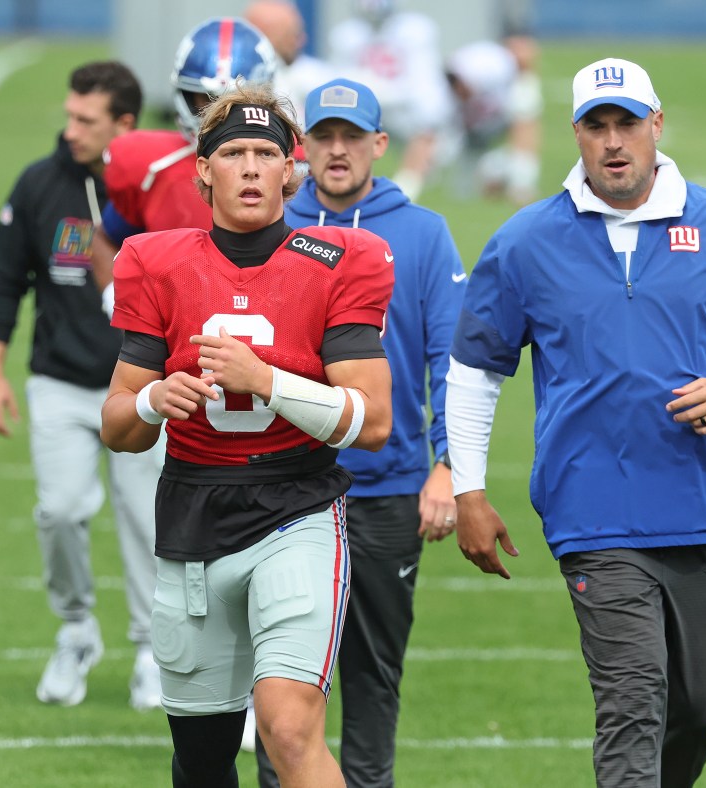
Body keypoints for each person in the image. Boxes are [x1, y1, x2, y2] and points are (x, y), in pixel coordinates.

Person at [446, 58, 706, 786]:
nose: (613, 142)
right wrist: (468, 490)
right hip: (595, 516)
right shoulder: (525, 241)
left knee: (699, 711)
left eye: (626, 123)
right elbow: (475, 370)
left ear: (656, 124)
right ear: (576, 134)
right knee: (631, 704)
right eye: (596, 126)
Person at [99, 81, 395, 788]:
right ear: (203, 169)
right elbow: (116, 425)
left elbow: (373, 421)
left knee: (289, 730)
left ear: (292, 167)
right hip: (192, 512)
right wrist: (152, 403)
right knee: (201, 762)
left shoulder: (341, 258)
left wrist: (268, 381)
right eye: (235, 153)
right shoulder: (153, 260)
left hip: (296, 508)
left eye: (268, 152)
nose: (254, 167)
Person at [253, 78, 465, 788]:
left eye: (352, 137)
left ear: (380, 144)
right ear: (301, 148)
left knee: (373, 676)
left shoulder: (423, 232)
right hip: (282, 485)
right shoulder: (270, 226)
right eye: (323, 137)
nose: (337, 151)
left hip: (387, 486)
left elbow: (450, 359)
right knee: (279, 682)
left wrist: (448, 467)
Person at [0, 61, 164, 710]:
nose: (70, 130)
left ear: (125, 124)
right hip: (58, 380)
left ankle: (149, 647)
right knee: (58, 510)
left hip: (143, 385)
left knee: (146, 523)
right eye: (69, 114)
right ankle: (77, 629)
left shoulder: (157, 190)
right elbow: (4, 280)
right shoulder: (39, 183)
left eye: (86, 120)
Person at [90, 16, 278, 314]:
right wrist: (116, 297)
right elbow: (105, 238)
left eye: (233, 103)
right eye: (206, 100)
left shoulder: (299, 168)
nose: (217, 117)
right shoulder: (154, 165)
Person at [328, 0, 452, 202]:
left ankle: (403, 192)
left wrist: (430, 117)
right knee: (341, 128)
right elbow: (341, 82)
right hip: (367, 105)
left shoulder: (415, 30)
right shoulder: (346, 35)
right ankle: (345, 184)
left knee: (426, 128)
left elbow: (424, 84)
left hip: (405, 109)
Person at [442, 35, 542, 205]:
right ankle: (495, 173)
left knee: (524, 120)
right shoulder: (492, 65)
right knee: (454, 176)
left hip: (481, 123)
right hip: (460, 130)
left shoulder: (514, 79)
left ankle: (519, 184)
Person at [243, 0, 333, 131]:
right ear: (265, 35)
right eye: (293, 34)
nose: (302, 40)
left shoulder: (312, 75)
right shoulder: (235, 80)